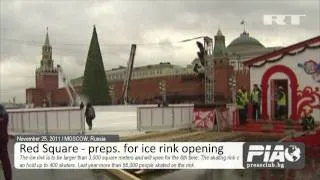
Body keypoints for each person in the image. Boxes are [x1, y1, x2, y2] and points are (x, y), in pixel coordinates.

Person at [0, 104, 12, 180]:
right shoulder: (4, 111)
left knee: (5, 162)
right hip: (3, 139)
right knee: (5, 162)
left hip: (2, 140)